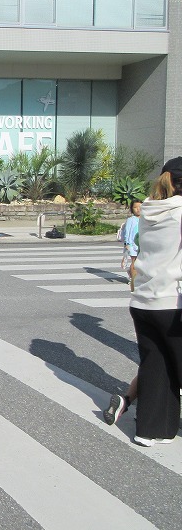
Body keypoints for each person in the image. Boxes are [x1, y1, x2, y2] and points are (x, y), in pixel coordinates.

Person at [128, 157, 182, 447]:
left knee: (156, 366)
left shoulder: (148, 209)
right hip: (173, 302)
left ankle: (150, 431)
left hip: (143, 301)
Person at [103, 200, 142, 425]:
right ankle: (150, 408)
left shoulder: (152, 222)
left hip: (147, 302)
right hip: (167, 303)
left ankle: (128, 401)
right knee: (163, 361)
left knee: (153, 361)